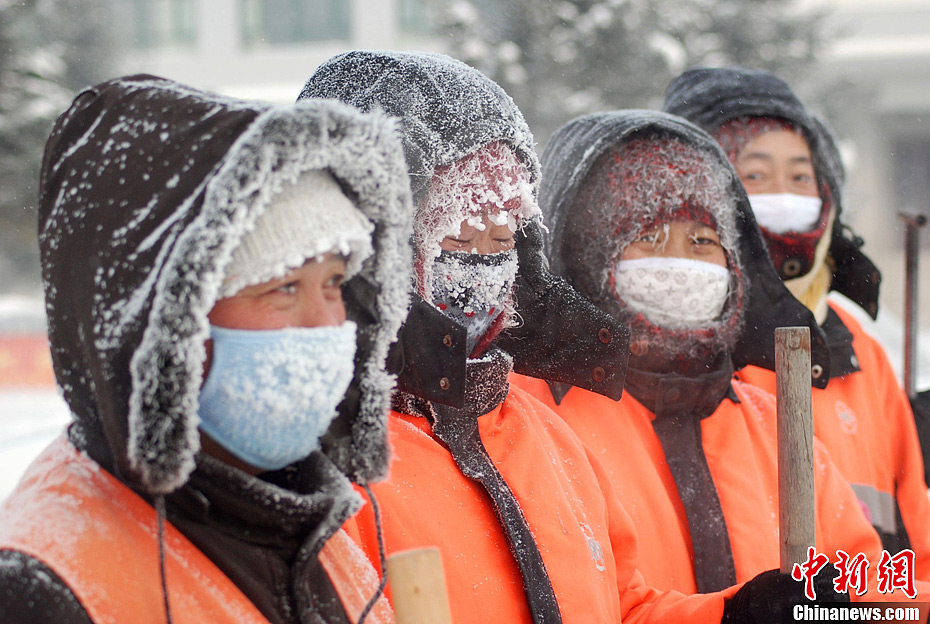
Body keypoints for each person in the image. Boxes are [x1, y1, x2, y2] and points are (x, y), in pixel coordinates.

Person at [300, 50, 842, 624]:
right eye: (458, 232)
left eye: (505, 232)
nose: (486, 258)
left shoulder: (541, 437)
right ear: (372, 238)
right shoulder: (329, 464)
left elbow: (620, 607)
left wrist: (731, 617)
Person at [0, 75, 414, 624]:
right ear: (168, 319)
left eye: (335, 284)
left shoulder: (310, 515)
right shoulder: (46, 585)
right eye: (283, 287)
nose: (324, 325)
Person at [513, 109, 925, 604]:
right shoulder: (532, 422)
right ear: (587, 255)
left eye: (703, 240)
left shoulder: (772, 424)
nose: (681, 260)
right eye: (648, 237)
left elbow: (868, 593)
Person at [664, 66, 930, 569]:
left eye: (801, 176)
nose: (783, 194)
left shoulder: (859, 350)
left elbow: (914, 552)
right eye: (755, 175)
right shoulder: (670, 356)